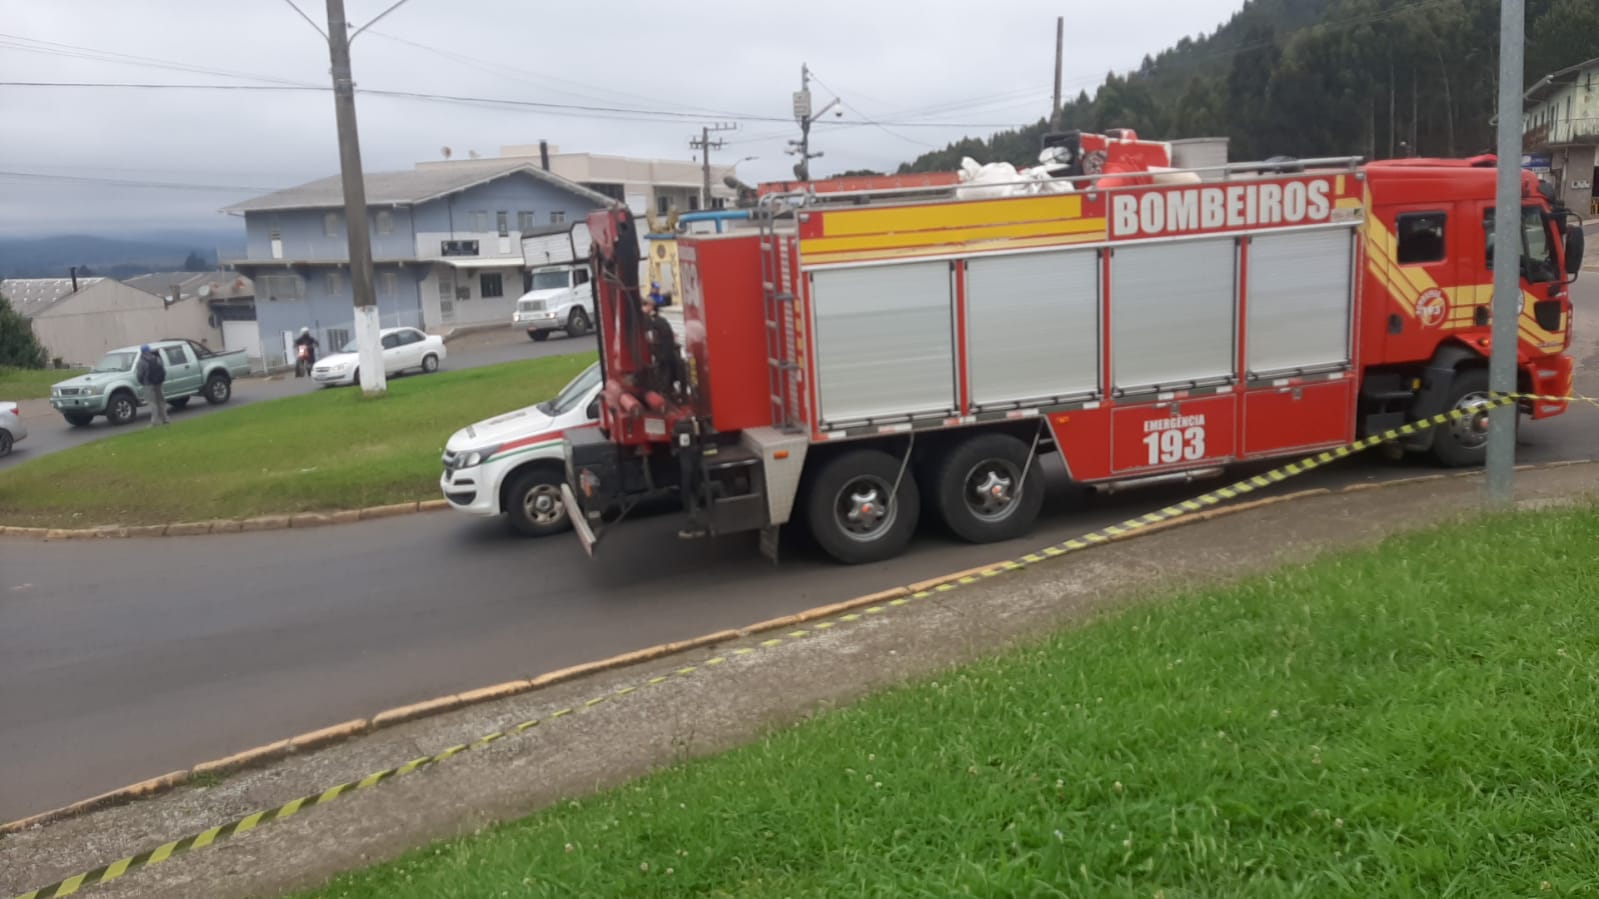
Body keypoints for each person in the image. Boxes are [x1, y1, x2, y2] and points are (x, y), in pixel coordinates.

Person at [135, 344, 169, 427]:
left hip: (148, 384)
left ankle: (154, 421)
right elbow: (163, 370)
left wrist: (142, 382)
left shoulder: (141, 361)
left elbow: (139, 374)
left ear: (142, 352)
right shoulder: (157, 358)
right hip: (158, 383)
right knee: (161, 401)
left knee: (152, 402)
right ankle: (165, 419)